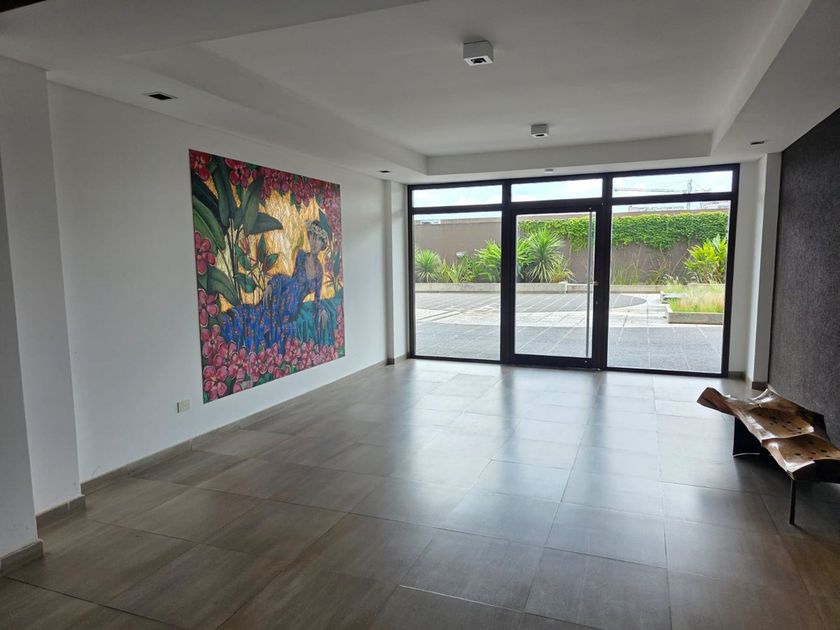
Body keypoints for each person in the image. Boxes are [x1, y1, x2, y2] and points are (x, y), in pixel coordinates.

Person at [220, 221, 328, 352]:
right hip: (281, 293)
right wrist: (271, 285)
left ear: (323, 244)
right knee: (257, 314)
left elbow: (317, 299)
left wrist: (322, 310)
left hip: (292, 308)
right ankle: (230, 321)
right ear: (309, 237)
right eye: (313, 236)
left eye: (319, 239)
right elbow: (290, 280)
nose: (315, 241)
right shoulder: (301, 255)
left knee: (270, 327)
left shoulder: (319, 271)